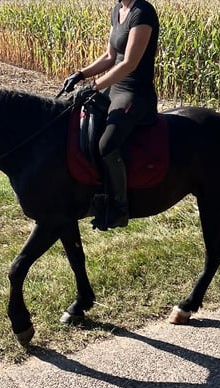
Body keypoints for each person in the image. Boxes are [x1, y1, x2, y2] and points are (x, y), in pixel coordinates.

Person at [62, 0, 160, 230]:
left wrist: (94, 86)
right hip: (113, 88)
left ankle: (119, 207)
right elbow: (109, 56)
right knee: (77, 117)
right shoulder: (118, 10)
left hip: (135, 93)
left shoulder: (143, 12)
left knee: (106, 144)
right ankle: (90, 190)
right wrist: (80, 74)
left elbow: (129, 63)